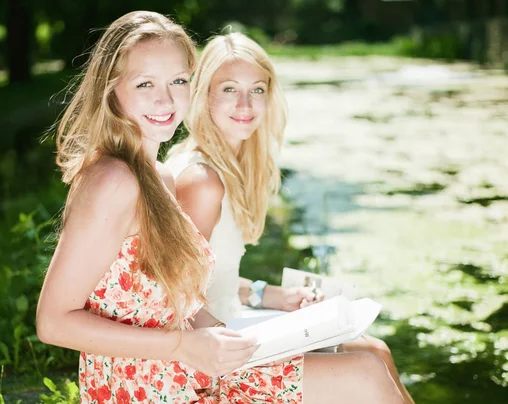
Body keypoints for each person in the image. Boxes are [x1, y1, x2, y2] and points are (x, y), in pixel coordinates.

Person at [36, 11, 404, 403]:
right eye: (145, 84)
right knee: (364, 376)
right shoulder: (111, 181)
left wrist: (244, 339)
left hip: (188, 372)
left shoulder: (159, 177)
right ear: (111, 90)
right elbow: (53, 322)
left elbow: (182, 301)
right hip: (144, 389)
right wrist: (183, 346)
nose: (166, 99)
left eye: (178, 81)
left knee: (368, 367)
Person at [167, 32, 414, 403]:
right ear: (204, 95)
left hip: (228, 327)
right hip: (205, 356)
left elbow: (207, 277)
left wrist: (271, 295)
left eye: (258, 89)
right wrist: (248, 342)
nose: (245, 104)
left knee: (375, 349)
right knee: (366, 370)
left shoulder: (227, 168)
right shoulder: (200, 180)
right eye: (230, 89)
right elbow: (171, 291)